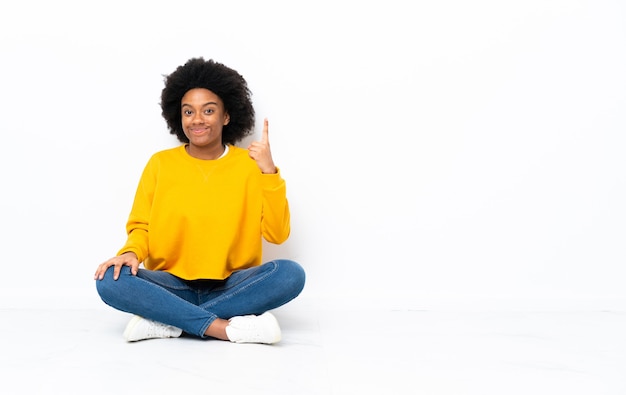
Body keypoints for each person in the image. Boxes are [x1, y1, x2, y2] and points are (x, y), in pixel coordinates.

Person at [94, 57, 305, 344]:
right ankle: (222, 328)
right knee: (110, 280)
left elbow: (277, 235)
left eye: (208, 110)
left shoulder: (251, 165)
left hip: (231, 285)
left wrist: (268, 172)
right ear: (179, 117)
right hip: (171, 284)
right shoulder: (160, 164)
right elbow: (141, 226)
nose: (197, 119)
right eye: (188, 111)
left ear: (226, 116)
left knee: (290, 274)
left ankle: (169, 321)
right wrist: (131, 252)